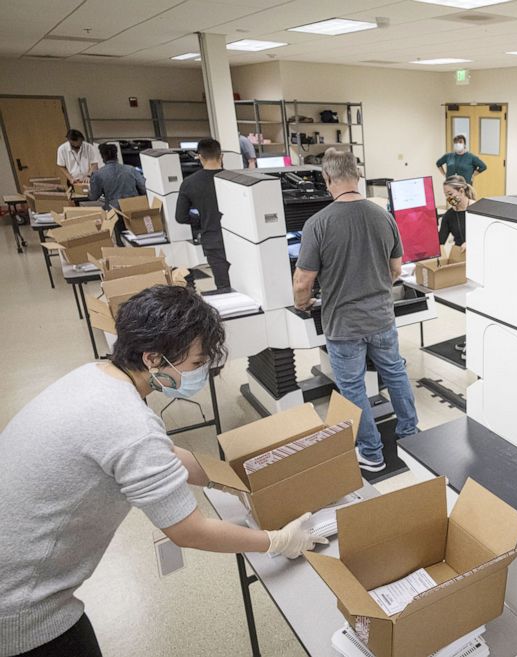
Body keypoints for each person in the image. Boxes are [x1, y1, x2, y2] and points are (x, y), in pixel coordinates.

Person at [0, 285, 325, 657]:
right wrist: (277, 541)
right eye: (195, 363)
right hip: (21, 611)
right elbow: (190, 530)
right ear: (153, 358)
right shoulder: (127, 424)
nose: (200, 372)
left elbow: (163, 454)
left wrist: (234, 479)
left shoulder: (97, 376)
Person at [292, 150, 419, 472]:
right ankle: (411, 437)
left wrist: (302, 303)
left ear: (327, 179)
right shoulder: (383, 216)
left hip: (343, 324)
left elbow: (303, 280)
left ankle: (372, 453)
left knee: (352, 389)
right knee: (395, 374)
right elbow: (395, 270)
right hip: (381, 316)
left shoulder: (317, 224)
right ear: (357, 176)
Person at [176, 138, 231, 292]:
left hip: (213, 240)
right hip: (240, 240)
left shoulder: (189, 183)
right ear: (221, 156)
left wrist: (202, 220)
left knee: (224, 287)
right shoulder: (236, 179)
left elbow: (180, 217)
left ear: (200, 156)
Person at [439, 175, 475, 246]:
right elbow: (440, 241)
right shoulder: (448, 215)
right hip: (459, 254)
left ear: (461, 191)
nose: (448, 198)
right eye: (446, 195)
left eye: (450, 194)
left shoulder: (478, 209)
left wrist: (471, 243)